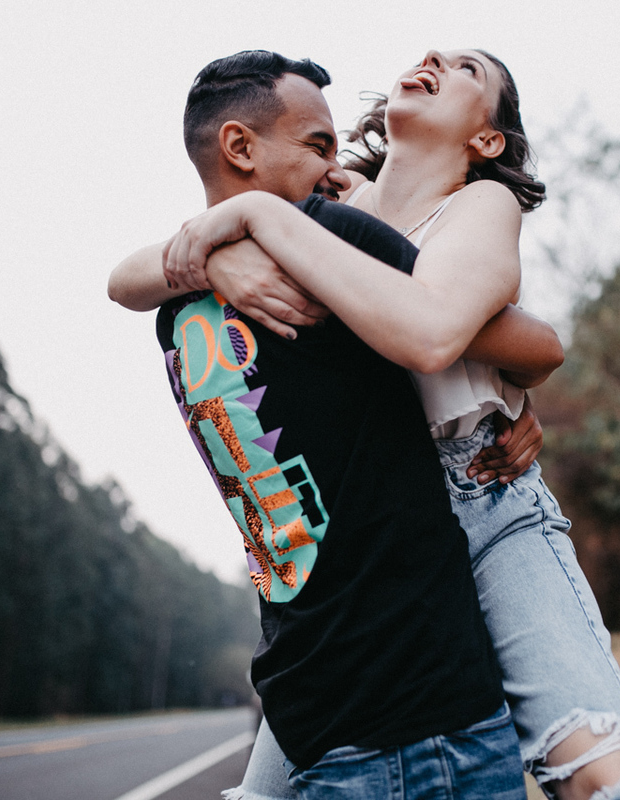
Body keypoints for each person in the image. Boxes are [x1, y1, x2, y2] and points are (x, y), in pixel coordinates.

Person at [115, 49, 620, 800]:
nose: (433, 59)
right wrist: (215, 257)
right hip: (377, 536)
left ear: (486, 138)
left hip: (484, 498)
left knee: (597, 764)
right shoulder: (327, 209)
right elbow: (128, 278)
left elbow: (514, 343)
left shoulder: (476, 204)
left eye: (465, 69)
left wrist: (249, 222)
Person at [118, 50, 531, 799]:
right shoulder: (335, 238)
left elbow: (125, 280)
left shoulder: (174, 313)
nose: (334, 169)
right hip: (422, 715)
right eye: (317, 146)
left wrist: (221, 246)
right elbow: (500, 339)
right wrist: (524, 397)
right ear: (240, 147)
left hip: (310, 705)